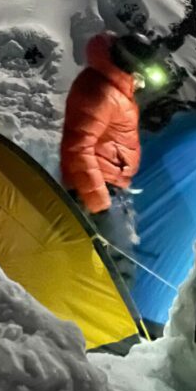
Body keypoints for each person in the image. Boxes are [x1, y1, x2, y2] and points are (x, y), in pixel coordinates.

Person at [60, 31, 146, 287]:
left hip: (111, 190)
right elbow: (78, 146)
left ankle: (102, 323)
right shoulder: (99, 89)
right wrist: (99, 201)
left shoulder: (112, 87)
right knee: (119, 270)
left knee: (109, 264)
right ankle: (119, 326)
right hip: (99, 192)